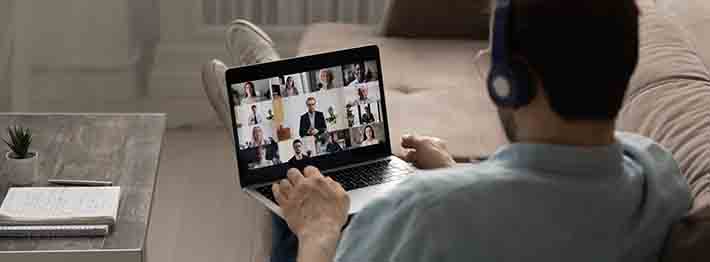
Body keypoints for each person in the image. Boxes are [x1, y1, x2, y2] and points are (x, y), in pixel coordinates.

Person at [270, 1, 692, 261]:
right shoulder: (660, 177)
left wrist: (319, 234)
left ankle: (263, 116)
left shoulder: (419, 213)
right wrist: (456, 173)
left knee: (300, 210)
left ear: (510, 80)